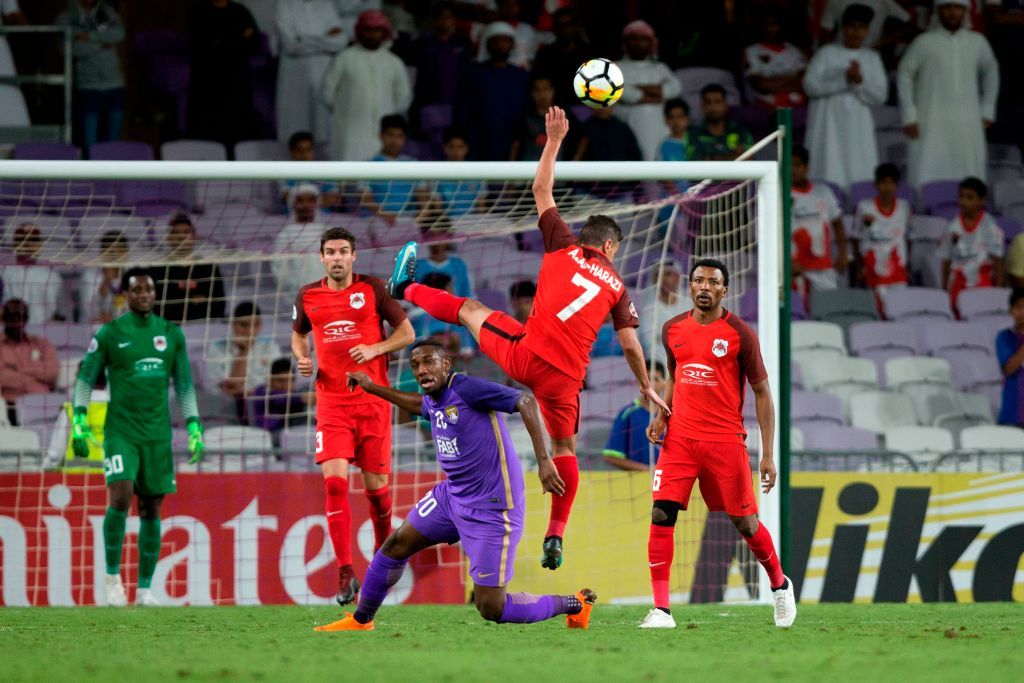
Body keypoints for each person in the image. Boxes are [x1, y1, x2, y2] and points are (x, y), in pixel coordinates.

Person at [386, 106, 668, 571]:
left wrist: (553, 139)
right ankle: (555, 534)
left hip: (526, 353)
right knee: (566, 450)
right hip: (565, 380)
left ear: (585, 237)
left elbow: (540, 189)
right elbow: (630, 345)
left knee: (470, 309)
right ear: (610, 247)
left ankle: (404, 289)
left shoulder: (562, 243)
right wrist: (644, 385)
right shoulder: (618, 286)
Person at [314, 339, 596, 631]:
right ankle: (361, 620)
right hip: (451, 497)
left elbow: (525, 401)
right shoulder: (434, 398)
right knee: (396, 544)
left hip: (493, 508)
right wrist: (372, 387)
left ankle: (574, 604)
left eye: (429, 362)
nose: (421, 370)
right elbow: (419, 405)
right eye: (415, 365)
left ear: (446, 364)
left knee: (491, 606)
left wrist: (544, 460)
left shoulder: (466, 388)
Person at [641, 258, 795, 629]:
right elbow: (676, 375)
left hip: (725, 442)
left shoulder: (741, 334)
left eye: (713, 282)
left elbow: (762, 393)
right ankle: (661, 610)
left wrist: (768, 455)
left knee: (745, 523)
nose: (705, 287)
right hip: (680, 440)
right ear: (690, 286)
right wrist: (662, 414)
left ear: (725, 290)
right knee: (661, 513)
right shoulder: (672, 329)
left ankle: (779, 585)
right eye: (699, 281)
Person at [291, 226, 415, 604]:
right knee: (334, 485)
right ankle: (345, 572)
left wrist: (376, 348)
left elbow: (407, 333)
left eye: (343, 251)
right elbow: (298, 334)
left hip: (373, 403)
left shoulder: (373, 289)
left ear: (353, 256)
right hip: (331, 405)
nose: (337, 258)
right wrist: (302, 357)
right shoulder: (307, 296)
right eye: (330, 252)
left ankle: (383, 556)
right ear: (322, 257)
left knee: (377, 493)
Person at [72, 268, 206, 607]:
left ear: (155, 294)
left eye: (148, 289)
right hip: (122, 432)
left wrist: (194, 426)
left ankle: (145, 590)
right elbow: (86, 378)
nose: (143, 294)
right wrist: (79, 420)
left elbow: (184, 383)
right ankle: (111, 580)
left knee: (151, 508)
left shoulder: (171, 334)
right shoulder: (110, 333)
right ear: (126, 295)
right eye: (136, 290)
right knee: (120, 496)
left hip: (158, 435)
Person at [897, 0, 999, 187]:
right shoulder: (924, 42)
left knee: (968, 172)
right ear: (939, 10)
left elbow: (991, 72)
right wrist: (909, 115)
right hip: (929, 120)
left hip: (967, 122)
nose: (953, 13)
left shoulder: (978, 42)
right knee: (927, 170)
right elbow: (904, 75)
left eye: (958, 7)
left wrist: (987, 109)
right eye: (948, 7)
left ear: (965, 11)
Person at [804, 4, 887, 190]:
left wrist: (859, 82)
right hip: (828, 125)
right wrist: (843, 80)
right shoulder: (826, 53)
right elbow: (810, 86)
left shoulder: (872, 58)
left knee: (858, 165)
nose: (855, 32)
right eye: (851, 26)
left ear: (867, 31)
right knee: (828, 162)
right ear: (843, 28)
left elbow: (880, 96)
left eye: (861, 27)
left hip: (858, 126)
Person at [321, 10, 412, 161]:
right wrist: (345, 110)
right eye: (367, 30)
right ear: (359, 31)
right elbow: (327, 93)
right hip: (349, 131)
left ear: (384, 33)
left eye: (377, 30)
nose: (372, 35)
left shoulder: (394, 62)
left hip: (383, 132)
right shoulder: (344, 58)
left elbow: (403, 97)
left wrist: (386, 111)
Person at [186, 0, 262, 150]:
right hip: (208, 83)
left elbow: (255, 44)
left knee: (238, 129)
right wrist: (239, 38)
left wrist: (226, 40)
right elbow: (205, 45)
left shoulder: (240, 11)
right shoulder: (198, 12)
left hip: (237, 82)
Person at [274, 0, 346, 143]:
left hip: (323, 73)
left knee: (323, 127)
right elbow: (290, 46)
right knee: (294, 124)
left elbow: (340, 42)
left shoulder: (325, 5)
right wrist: (325, 42)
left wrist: (304, 39)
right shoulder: (284, 5)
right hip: (294, 75)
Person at [58, 0, 126, 151]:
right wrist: (102, 43)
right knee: (90, 142)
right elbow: (69, 49)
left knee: (113, 141)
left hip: (114, 83)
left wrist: (89, 37)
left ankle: (110, 166)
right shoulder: (66, 17)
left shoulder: (108, 13)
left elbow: (119, 34)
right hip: (87, 86)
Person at [456, 21, 529, 160]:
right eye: (496, 40)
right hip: (478, 142)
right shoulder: (473, 73)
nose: (500, 45)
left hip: (513, 143)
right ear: (487, 44)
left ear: (512, 44)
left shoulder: (521, 76)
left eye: (505, 40)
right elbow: (463, 110)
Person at [616, 20, 682, 162]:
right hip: (628, 127)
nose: (639, 44)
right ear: (625, 43)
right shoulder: (617, 67)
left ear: (651, 43)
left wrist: (637, 89)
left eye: (643, 39)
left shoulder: (660, 68)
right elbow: (624, 93)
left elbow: (675, 89)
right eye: (634, 39)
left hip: (660, 128)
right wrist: (657, 93)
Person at [204, 302, 283, 417]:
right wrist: (244, 351)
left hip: (264, 404)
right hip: (229, 407)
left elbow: (280, 383)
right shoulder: (216, 348)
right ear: (233, 324)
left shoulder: (270, 346)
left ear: (260, 325)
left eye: (255, 325)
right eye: (243, 325)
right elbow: (230, 388)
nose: (249, 331)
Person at [791, 145, 848, 302]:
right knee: (798, 312)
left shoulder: (824, 192)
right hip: (796, 269)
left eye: (797, 165)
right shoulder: (780, 194)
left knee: (829, 307)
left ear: (806, 167)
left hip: (824, 267)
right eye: (789, 165)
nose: (792, 170)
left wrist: (843, 252)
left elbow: (837, 222)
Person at [939, 177, 1005, 309]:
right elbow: (946, 260)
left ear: (981, 201)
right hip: (958, 284)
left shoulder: (990, 226)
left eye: (969, 197)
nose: (963, 201)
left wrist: (997, 292)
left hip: (982, 282)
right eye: (961, 196)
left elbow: (998, 262)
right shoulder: (951, 227)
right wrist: (944, 289)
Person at [852, 163, 911, 309]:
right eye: (883, 182)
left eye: (891, 183)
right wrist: (860, 267)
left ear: (897, 186)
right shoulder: (864, 207)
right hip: (873, 268)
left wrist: (906, 265)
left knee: (899, 309)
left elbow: (908, 238)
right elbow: (855, 238)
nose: (887, 187)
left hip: (897, 268)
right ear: (876, 184)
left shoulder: (904, 208)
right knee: (879, 309)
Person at [149, 214, 226, 323]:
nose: (181, 237)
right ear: (168, 237)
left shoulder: (209, 267)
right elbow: (154, 306)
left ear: (195, 237)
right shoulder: (157, 269)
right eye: (176, 232)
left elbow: (219, 304)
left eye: (186, 232)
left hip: (204, 326)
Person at [409, 2, 471, 125]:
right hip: (429, 103)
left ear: (454, 20)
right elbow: (414, 75)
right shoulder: (422, 43)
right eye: (440, 17)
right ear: (433, 20)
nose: (444, 21)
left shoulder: (461, 43)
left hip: (455, 103)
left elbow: (466, 73)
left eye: (448, 17)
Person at [0, 298, 59, 421]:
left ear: (26, 319)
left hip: (42, 403)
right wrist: (35, 378)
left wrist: (17, 367)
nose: (16, 321)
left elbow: (52, 372)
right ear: (4, 319)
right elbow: (3, 376)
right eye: (12, 316)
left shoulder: (41, 344)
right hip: (9, 406)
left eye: (20, 316)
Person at [602, 361, 668, 471]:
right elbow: (610, 456)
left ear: (664, 384)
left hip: (668, 477)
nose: (651, 384)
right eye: (647, 379)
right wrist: (646, 469)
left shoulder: (672, 414)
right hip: (637, 478)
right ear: (639, 382)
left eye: (655, 379)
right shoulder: (627, 414)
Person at [359, 114, 424, 223]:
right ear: (381, 135)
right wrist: (384, 214)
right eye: (390, 135)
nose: (394, 141)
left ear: (405, 139)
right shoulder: (368, 165)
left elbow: (423, 196)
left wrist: (420, 217)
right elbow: (365, 198)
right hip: (375, 220)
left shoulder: (413, 164)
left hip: (407, 221)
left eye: (399, 136)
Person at [742, 7, 807, 110]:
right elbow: (760, 85)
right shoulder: (751, 51)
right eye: (766, 24)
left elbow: (804, 82)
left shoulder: (794, 50)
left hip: (796, 106)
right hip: (765, 108)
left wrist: (772, 84)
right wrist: (792, 78)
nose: (770, 29)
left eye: (774, 24)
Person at [531, 7, 593, 109]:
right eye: (560, 25)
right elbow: (539, 85)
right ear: (554, 28)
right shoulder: (545, 54)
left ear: (575, 27)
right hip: (554, 108)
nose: (565, 29)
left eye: (568, 24)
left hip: (582, 108)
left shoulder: (588, 52)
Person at [2, 223, 63, 323]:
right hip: (9, 329)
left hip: (45, 329)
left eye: (33, 240)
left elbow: (61, 313)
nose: (27, 244)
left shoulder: (53, 277)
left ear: (40, 245)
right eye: (22, 239)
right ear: (14, 244)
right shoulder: (3, 273)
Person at [637, 258, 689, 364]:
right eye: (660, 275)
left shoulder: (689, 305)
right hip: (658, 365)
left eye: (669, 274)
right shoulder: (648, 309)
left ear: (678, 277)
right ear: (654, 280)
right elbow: (649, 345)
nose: (664, 279)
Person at [248, 357, 309, 438]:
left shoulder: (294, 395)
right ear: (270, 380)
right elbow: (279, 398)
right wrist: (302, 398)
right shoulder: (261, 392)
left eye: (290, 380)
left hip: (291, 435)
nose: (286, 385)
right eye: (281, 380)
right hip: (265, 437)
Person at [278, 131, 341, 207]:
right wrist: (318, 200)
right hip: (295, 214)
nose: (304, 154)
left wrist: (303, 202)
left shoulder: (325, 171)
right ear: (292, 152)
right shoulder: (285, 172)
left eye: (308, 149)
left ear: (313, 151)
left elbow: (333, 198)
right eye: (299, 150)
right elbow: (286, 196)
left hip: (322, 214)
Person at [692, 84, 753, 161]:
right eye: (708, 102)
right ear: (702, 106)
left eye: (718, 102)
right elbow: (694, 162)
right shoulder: (693, 133)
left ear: (725, 104)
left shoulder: (740, 131)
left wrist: (711, 158)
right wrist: (732, 156)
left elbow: (748, 159)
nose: (713, 107)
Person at [78, 230, 129, 323]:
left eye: (119, 250)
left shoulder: (133, 278)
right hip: (95, 327)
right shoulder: (89, 277)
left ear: (126, 253)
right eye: (110, 251)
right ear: (102, 253)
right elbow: (87, 311)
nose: (115, 255)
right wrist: (106, 282)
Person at [818, 0, 912, 49]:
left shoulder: (884, 1)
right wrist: (825, 54)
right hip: (840, 52)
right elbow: (826, 30)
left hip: (870, 52)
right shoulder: (835, 1)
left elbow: (909, 23)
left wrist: (884, 41)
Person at [574, 104, 642, 163]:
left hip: (620, 170)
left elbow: (635, 155)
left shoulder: (622, 128)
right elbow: (577, 156)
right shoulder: (584, 128)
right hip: (593, 171)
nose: (602, 107)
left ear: (613, 104)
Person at [996, 288, 1024, 427]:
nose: (1023, 312)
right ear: (1011, 311)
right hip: (1013, 415)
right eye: (1019, 307)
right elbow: (1009, 369)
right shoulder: (1005, 337)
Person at [657, 98, 694, 195]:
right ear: (666, 120)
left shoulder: (695, 141)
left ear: (688, 119)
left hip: (695, 197)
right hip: (671, 199)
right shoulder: (664, 146)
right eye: (671, 117)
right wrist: (677, 195)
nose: (676, 121)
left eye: (680, 116)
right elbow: (662, 175)